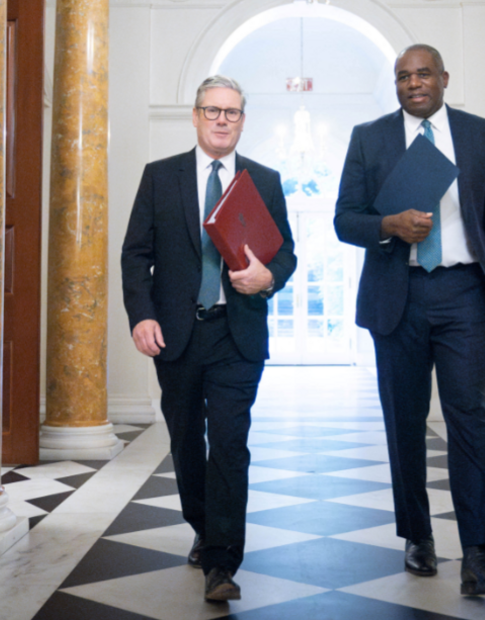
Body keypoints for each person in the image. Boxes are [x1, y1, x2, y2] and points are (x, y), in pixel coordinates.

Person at [334, 44, 485, 596]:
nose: (413, 83)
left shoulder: (478, 132)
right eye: (403, 77)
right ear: (395, 86)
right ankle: (417, 534)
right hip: (399, 296)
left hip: (465, 292)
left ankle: (478, 552)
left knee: (469, 417)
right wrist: (388, 224)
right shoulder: (369, 137)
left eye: (422, 74)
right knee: (405, 422)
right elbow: (345, 219)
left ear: (443, 77)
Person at [121, 75, 296, 602]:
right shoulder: (160, 176)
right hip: (176, 335)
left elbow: (285, 253)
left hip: (236, 334)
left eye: (233, 112)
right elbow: (135, 255)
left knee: (229, 445)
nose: (222, 120)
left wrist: (268, 277)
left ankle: (222, 562)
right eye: (213, 110)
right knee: (185, 444)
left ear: (243, 120)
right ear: (195, 116)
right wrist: (141, 315)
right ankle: (202, 523)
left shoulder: (263, 180)